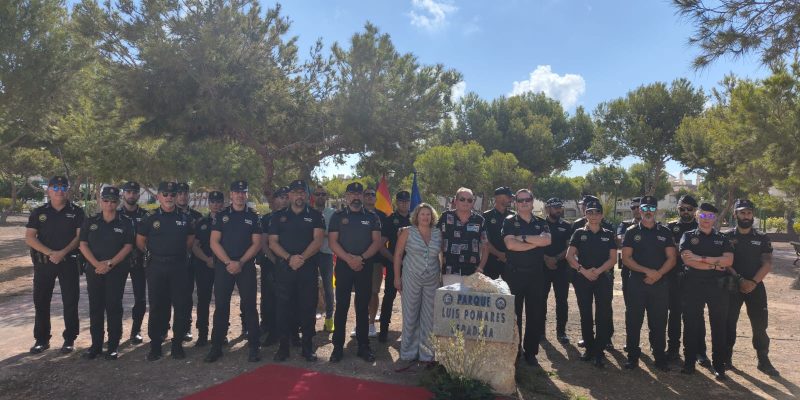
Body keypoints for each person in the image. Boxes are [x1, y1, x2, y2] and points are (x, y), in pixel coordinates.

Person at [25, 176, 85, 354]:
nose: (60, 190)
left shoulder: (77, 212)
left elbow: (80, 237)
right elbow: (30, 237)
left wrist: (62, 252)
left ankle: (69, 339)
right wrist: (51, 253)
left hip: (69, 263)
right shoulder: (38, 212)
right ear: (48, 190)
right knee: (41, 301)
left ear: (68, 190)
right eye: (56, 187)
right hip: (45, 263)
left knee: (71, 301)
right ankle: (41, 339)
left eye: (63, 187)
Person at [205, 180, 263, 363]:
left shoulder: (253, 217)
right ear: (231, 194)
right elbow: (214, 242)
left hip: (245, 266)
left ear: (246, 194)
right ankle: (216, 346)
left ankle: (254, 347)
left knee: (250, 307)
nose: (240, 195)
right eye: (236, 192)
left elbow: (257, 243)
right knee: (221, 306)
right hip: (225, 266)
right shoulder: (221, 216)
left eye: (243, 192)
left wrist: (241, 262)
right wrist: (229, 262)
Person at [136, 182, 195, 361]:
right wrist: (154, 255)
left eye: (172, 194)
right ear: (159, 196)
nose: (169, 197)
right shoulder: (149, 218)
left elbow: (190, 241)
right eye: (165, 194)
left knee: (181, 305)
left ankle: (177, 345)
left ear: (176, 197)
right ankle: (155, 346)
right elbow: (140, 241)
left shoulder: (185, 218)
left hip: (178, 267)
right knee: (156, 306)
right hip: (156, 267)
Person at [269, 180, 325, 362]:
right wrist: (289, 258)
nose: (299, 196)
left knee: (308, 308)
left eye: (302, 193)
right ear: (290, 195)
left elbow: (317, 240)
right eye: (296, 193)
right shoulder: (278, 216)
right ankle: (283, 348)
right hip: (285, 268)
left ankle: (307, 348)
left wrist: (301, 258)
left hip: (307, 268)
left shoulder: (316, 215)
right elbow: (272, 242)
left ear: (306, 195)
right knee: (283, 308)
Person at [328, 182, 383, 363]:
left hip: (364, 266)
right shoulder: (338, 216)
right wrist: (349, 259)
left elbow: (376, 242)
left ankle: (363, 346)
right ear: (346, 196)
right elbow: (333, 242)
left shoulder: (372, 217)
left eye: (359, 194)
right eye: (352, 194)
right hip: (344, 266)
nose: (356, 197)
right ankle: (337, 347)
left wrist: (361, 258)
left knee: (362, 307)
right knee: (341, 306)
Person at [723, 199, 779, 376]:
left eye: (748, 213)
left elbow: (767, 263)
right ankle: (726, 358)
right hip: (732, 284)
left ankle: (763, 359)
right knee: (728, 323)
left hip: (756, 285)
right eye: (742, 212)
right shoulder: (726, 236)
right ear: (735, 215)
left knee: (760, 324)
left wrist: (753, 282)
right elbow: (724, 263)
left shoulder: (762, 238)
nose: (746, 216)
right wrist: (740, 279)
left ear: (752, 215)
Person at [621, 196, 676, 372]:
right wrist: (647, 271)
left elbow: (672, 258)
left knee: (659, 322)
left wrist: (658, 274)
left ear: (656, 211)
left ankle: (659, 357)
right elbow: (626, 258)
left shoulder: (665, 232)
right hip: (637, 283)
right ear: (640, 210)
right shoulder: (631, 232)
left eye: (652, 208)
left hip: (660, 284)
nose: (648, 212)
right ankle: (632, 357)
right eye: (645, 208)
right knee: (633, 321)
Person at [679, 203, 734, 380]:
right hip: (693, 284)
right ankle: (689, 363)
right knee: (691, 323)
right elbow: (688, 261)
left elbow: (728, 261)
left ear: (715, 219)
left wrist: (701, 259)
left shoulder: (722, 238)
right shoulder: (687, 236)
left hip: (717, 286)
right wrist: (713, 264)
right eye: (703, 216)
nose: (706, 220)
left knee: (718, 325)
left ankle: (719, 366)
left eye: (710, 216)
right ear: (697, 216)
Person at [79, 186, 134, 360]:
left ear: (118, 202)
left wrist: (109, 264)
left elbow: (128, 246)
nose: (109, 204)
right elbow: (83, 244)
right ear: (100, 201)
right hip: (94, 270)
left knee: (113, 307)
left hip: (116, 271)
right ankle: (96, 345)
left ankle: (112, 345)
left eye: (113, 201)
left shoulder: (125, 222)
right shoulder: (91, 221)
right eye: (106, 200)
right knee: (96, 308)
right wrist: (97, 264)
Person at [502, 189, 551, 367]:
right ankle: (515, 351)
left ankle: (531, 352)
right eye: (520, 200)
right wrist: (534, 242)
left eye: (527, 199)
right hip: (514, 274)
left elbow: (546, 241)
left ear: (532, 201)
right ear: (515, 202)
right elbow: (510, 245)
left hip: (536, 274)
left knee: (535, 314)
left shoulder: (541, 222)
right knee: (514, 315)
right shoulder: (509, 221)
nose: (524, 203)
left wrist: (522, 238)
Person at [565, 198, 616, 368]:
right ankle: (589, 348)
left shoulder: (608, 234)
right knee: (585, 314)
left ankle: (599, 351)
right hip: (583, 279)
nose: (593, 216)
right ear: (585, 214)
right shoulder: (579, 233)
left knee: (602, 314)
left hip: (603, 279)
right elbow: (569, 256)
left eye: (597, 213)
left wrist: (598, 271)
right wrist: (583, 271)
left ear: (602, 215)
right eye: (589, 212)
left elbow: (614, 258)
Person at [393, 203, 442, 363]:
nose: (425, 217)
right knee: (411, 314)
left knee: (429, 316)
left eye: (428, 214)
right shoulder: (407, 232)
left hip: (432, 279)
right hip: (411, 277)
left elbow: (440, 256)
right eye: (422, 214)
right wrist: (396, 277)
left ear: (432, 216)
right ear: (417, 216)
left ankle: (427, 354)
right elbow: (398, 255)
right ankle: (408, 352)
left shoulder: (437, 233)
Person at [665, 195, 703, 362]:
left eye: (689, 209)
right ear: (677, 209)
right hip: (674, 277)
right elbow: (667, 252)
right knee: (674, 315)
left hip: (695, 278)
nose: (685, 212)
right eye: (682, 209)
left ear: (695, 210)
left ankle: (699, 351)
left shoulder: (701, 228)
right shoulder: (670, 227)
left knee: (696, 316)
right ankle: (673, 349)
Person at [190, 191, 225, 347]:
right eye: (213, 202)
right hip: (204, 266)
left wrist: (219, 260)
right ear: (209, 203)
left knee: (222, 301)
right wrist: (207, 259)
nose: (216, 205)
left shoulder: (228, 222)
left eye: (219, 202)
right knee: (203, 301)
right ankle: (202, 334)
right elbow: (194, 246)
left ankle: (221, 334)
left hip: (222, 267)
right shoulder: (201, 222)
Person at [377, 190, 412, 343]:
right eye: (401, 201)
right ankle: (384, 330)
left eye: (406, 201)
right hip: (394, 265)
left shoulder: (416, 219)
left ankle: (410, 331)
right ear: (396, 202)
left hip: (412, 266)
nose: (404, 203)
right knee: (389, 297)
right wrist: (394, 260)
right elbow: (381, 245)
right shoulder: (390, 220)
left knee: (411, 299)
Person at [438, 187, 488, 285]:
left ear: (473, 203)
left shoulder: (479, 220)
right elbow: (436, 241)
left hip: (472, 273)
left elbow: (486, 247)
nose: (466, 202)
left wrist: (480, 268)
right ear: (456, 200)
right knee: (449, 300)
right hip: (449, 271)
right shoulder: (445, 217)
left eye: (469, 200)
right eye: (462, 199)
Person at [119, 181, 149, 344]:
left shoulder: (145, 216)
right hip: (119, 262)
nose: (131, 195)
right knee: (115, 298)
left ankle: (136, 330)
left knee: (140, 299)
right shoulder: (115, 214)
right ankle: (115, 332)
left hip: (139, 262)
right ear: (123, 194)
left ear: (138, 194)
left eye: (134, 192)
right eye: (128, 192)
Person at [259, 186, 288, 345]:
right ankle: (270, 329)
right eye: (280, 197)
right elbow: (264, 243)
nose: (283, 200)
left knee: (288, 297)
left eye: (286, 197)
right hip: (271, 263)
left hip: (289, 263)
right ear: (274, 200)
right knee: (269, 298)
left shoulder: (293, 216)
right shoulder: (267, 218)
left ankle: (289, 330)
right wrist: (275, 261)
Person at [542, 197, 572, 344]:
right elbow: (535, 245)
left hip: (561, 269)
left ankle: (561, 332)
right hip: (542, 268)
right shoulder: (540, 224)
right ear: (548, 209)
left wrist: (556, 259)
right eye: (555, 207)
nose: (558, 210)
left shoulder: (567, 226)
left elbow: (569, 247)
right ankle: (540, 332)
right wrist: (546, 259)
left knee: (562, 301)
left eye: (560, 207)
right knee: (540, 300)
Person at [176, 182, 202, 343]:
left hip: (193, 261)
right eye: (179, 193)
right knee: (169, 297)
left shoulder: (197, 216)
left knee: (187, 296)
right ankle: (165, 328)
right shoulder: (169, 214)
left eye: (185, 193)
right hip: (174, 261)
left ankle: (186, 328)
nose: (182, 196)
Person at [362, 187, 388, 339]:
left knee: (373, 292)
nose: (370, 197)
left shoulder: (382, 216)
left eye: (373, 195)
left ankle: (371, 323)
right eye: (367, 195)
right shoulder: (356, 212)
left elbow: (384, 240)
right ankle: (362, 322)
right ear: (363, 197)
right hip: (358, 260)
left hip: (376, 261)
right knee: (360, 293)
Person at [313, 186, 336, 334]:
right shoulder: (308, 212)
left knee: (328, 287)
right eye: (318, 194)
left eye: (323, 194)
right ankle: (310, 319)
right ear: (313, 196)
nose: (320, 196)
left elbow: (334, 234)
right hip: (311, 254)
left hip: (327, 254)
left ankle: (329, 318)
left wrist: (320, 235)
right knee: (309, 287)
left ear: (326, 197)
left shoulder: (332, 214)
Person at [483, 187, 515, 279]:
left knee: (510, 291)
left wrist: (506, 256)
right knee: (489, 291)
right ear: (498, 198)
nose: (511, 199)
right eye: (508, 197)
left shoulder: (513, 216)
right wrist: (499, 254)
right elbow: (485, 240)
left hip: (509, 261)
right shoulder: (486, 216)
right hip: (490, 261)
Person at [616, 197, 642, 309]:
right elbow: (619, 240)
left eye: (639, 207)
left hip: (648, 267)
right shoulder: (625, 225)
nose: (636, 209)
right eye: (633, 207)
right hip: (628, 269)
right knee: (630, 305)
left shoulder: (656, 226)